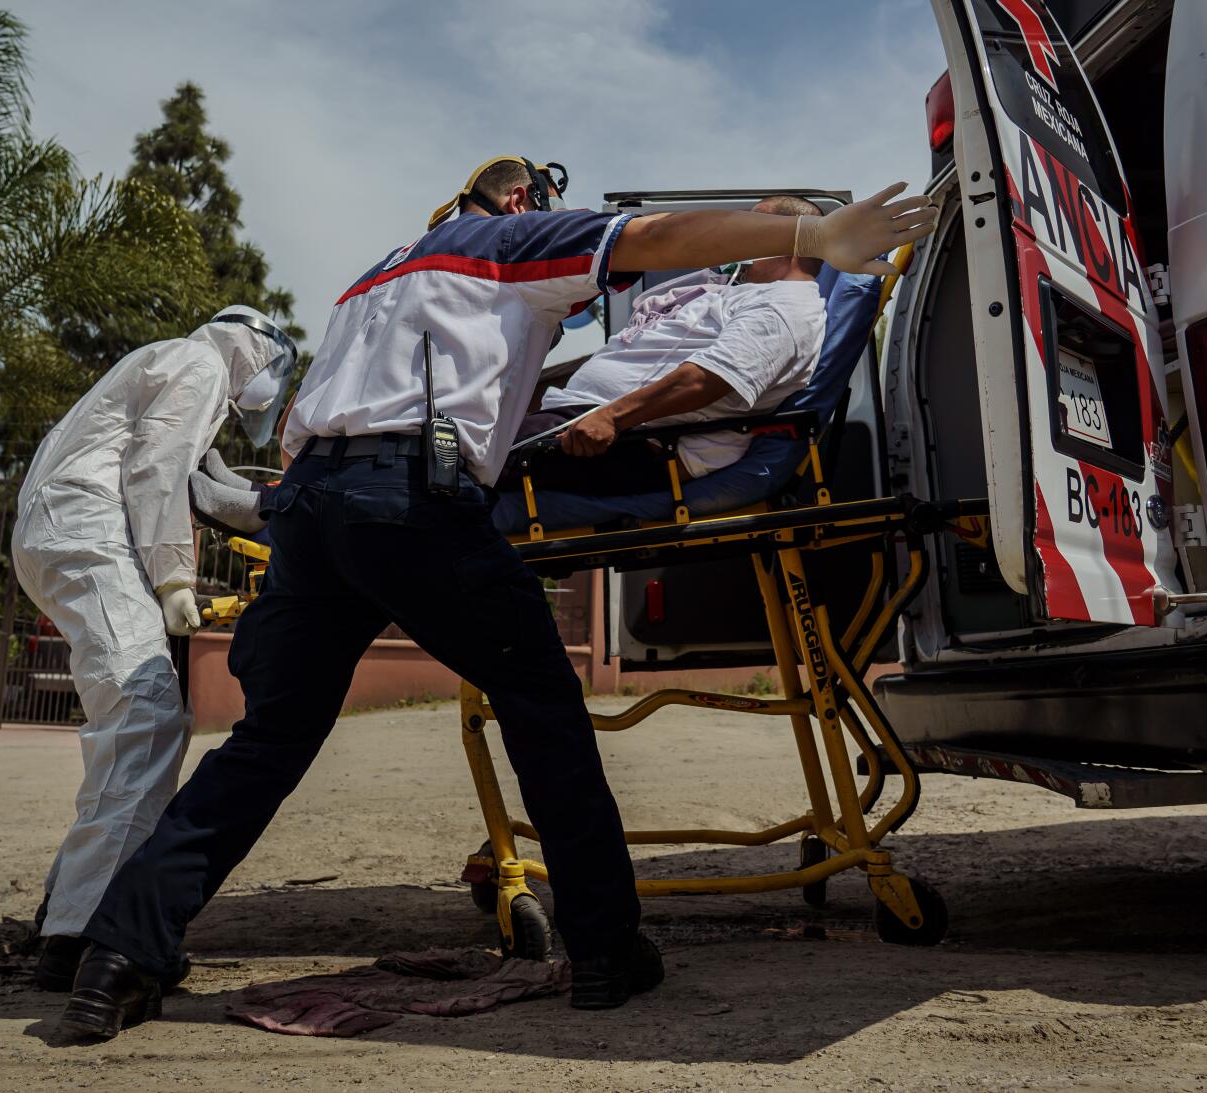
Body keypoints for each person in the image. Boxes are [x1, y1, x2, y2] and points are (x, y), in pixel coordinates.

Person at [60, 157, 933, 1038]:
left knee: (268, 741)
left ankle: (119, 956)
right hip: (409, 504)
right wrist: (812, 236)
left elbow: (310, 420)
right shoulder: (516, 242)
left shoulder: (378, 274)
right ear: (520, 202)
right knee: (543, 704)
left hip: (315, 499)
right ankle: (604, 949)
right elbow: (659, 239)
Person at [11, 305, 296, 992]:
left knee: (127, 726)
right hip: (87, 528)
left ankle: (65, 902)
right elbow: (157, 473)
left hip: (64, 528)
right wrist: (174, 578)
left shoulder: (162, 359)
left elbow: (174, 476)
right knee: (146, 716)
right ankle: (78, 932)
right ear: (253, 350)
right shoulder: (198, 364)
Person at [508, 195, 828, 497]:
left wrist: (611, 418)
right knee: (468, 450)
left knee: (470, 463)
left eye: (755, 228)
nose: (739, 236)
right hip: (587, 417)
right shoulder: (733, 293)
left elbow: (705, 379)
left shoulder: (788, 307)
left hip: (633, 441)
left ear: (794, 243)